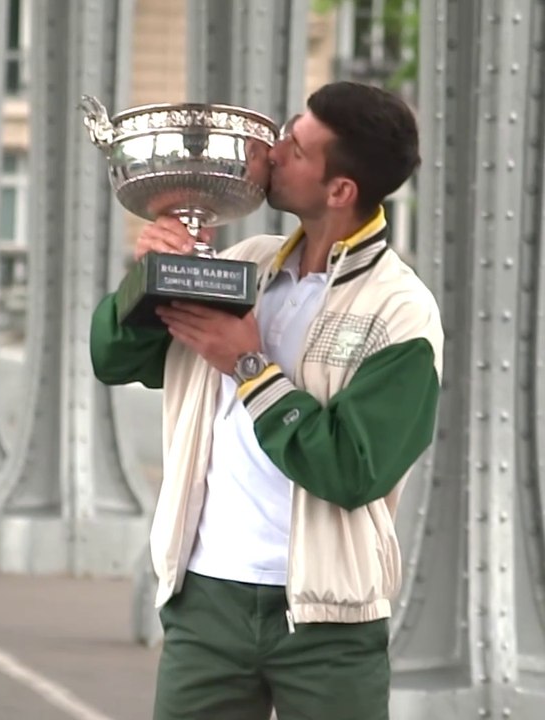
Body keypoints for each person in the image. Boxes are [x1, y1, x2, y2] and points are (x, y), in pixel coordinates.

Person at [90, 81, 444, 720]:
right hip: (206, 600)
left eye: (297, 149)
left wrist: (250, 368)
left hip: (329, 620)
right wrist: (146, 277)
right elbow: (115, 360)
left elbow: (353, 470)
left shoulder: (401, 311)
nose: (272, 153)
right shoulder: (245, 266)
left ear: (340, 191)